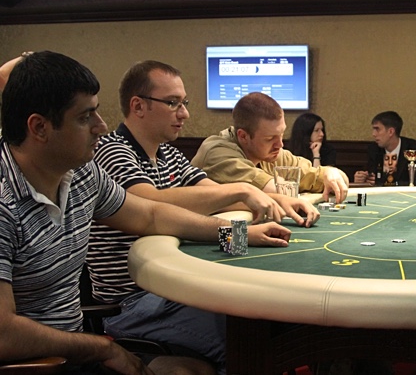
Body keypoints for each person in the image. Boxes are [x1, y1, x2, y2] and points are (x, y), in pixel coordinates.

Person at [0, 51, 292, 374]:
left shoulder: (81, 174)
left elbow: (151, 215)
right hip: (46, 361)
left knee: (243, 338)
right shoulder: (5, 202)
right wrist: (102, 348)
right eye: (85, 117)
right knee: (245, 346)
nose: (101, 126)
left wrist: (241, 234)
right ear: (39, 128)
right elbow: (4, 335)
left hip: (80, 347)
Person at [89, 60, 320, 375]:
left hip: (180, 287)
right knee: (249, 343)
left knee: (274, 318)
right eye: (173, 103)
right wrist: (241, 192)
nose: (184, 113)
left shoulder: (169, 154)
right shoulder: (112, 151)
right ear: (138, 106)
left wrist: (278, 200)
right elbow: (151, 205)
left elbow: (213, 199)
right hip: (135, 302)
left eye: (184, 102)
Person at [191, 92, 349, 202]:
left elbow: (330, 177)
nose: (280, 144)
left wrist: (330, 172)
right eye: (269, 138)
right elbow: (277, 193)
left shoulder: (272, 153)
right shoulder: (217, 152)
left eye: (281, 134)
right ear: (243, 136)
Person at [353, 111, 416, 186]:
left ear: (391, 132)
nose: (373, 134)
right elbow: (372, 177)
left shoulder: (415, 149)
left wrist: (389, 183)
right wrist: (361, 179)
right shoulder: (373, 149)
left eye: (377, 129)